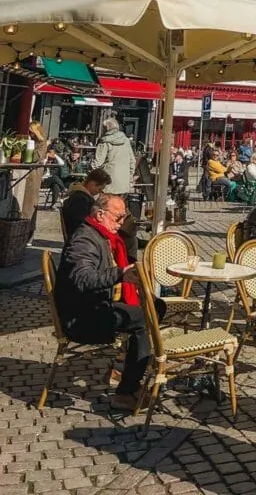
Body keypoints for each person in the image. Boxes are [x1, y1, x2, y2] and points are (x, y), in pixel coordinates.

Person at [55, 193, 165, 416]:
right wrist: (120, 274)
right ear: (99, 215)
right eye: (118, 217)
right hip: (81, 317)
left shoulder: (104, 235)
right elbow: (83, 278)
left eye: (124, 217)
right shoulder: (84, 240)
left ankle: (128, 363)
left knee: (157, 306)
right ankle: (126, 391)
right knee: (142, 319)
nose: (121, 223)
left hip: (97, 304)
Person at [93, 118, 137, 258]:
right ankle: (122, 245)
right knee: (121, 215)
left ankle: (106, 245)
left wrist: (93, 176)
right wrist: (128, 178)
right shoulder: (126, 141)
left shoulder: (105, 141)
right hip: (123, 185)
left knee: (105, 215)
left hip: (108, 185)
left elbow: (97, 163)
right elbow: (132, 162)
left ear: (106, 128)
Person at [61, 168, 112, 240]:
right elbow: (80, 225)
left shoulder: (79, 195)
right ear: (92, 184)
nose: (99, 192)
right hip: (81, 239)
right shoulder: (81, 200)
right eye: (99, 189)